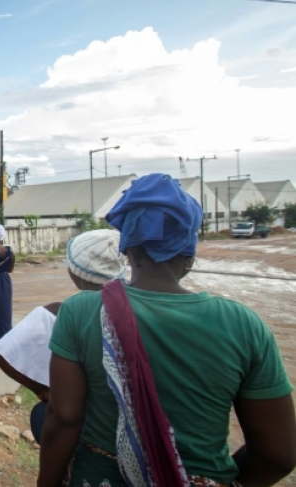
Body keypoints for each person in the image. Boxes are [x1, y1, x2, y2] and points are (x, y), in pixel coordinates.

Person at [38, 174, 296, 487]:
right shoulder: (244, 324)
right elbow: (277, 455)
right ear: (189, 253)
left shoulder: (80, 311)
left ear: (126, 248)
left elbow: (64, 419)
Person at [0, 229, 125, 444]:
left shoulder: (57, 311)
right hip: (124, 425)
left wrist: (43, 390)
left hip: (80, 426)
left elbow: (1, 351)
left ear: (73, 271)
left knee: (41, 415)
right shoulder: (136, 308)